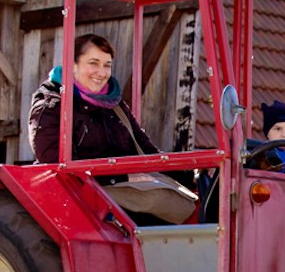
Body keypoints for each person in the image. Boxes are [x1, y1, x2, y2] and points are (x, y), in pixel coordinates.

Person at [29, 33, 195, 222]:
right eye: (93, 63)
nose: (101, 73)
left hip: (122, 187)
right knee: (159, 202)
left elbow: (145, 149)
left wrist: (186, 173)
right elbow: (58, 166)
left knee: (189, 197)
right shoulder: (52, 107)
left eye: (107, 65)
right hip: (81, 196)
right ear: (72, 65)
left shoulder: (114, 105)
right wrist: (123, 178)